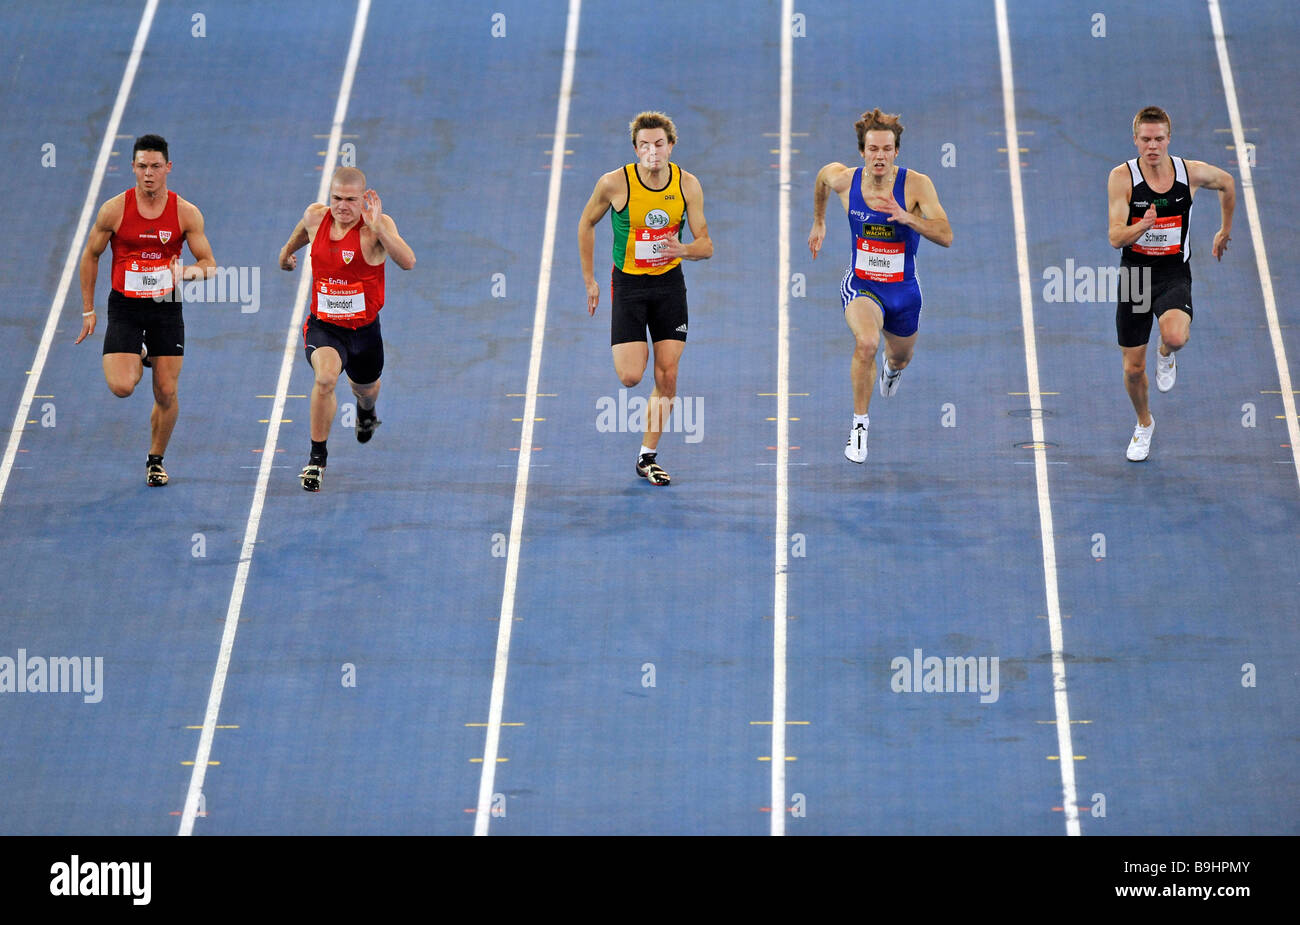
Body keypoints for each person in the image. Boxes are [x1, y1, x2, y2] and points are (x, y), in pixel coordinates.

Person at [809, 109, 952, 463]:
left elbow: (946, 235)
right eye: (873, 149)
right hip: (863, 286)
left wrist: (908, 218)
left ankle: (892, 369)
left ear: (897, 151)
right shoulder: (844, 180)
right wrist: (819, 221)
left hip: (903, 291)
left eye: (887, 149)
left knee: (901, 356)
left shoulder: (917, 185)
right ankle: (859, 425)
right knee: (867, 342)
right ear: (862, 151)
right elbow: (821, 179)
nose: (880, 156)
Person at [579, 111, 712, 486]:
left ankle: (647, 456)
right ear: (635, 149)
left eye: (658, 144)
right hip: (630, 288)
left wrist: (682, 249)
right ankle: (645, 444)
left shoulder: (687, 185)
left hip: (669, 286)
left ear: (671, 146)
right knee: (630, 376)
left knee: (667, 373)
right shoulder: (614, 184)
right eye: (644, 145)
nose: (652, 151)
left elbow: (706, 245)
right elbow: (586, 223)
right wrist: (590, 280)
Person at [76, 134, 216, 486]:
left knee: (166, 392)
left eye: (155, 166)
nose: (149, 174)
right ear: (133, 168)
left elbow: (210, 264)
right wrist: (88, 310)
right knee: (122, 386)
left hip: (165, 308)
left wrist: (185, 273)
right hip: (125, 307)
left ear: (168, 168)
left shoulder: (185, 212)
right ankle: (139, 352)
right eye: (142, 166)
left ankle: (156, 459)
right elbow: (91, 255)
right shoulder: (114, 210)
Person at [1108, 105, 1235, 461]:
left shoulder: (1189, 173)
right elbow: (1116, 237)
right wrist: (1141, 227)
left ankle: (1166, 354)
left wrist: (1225, 228)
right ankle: (1144, 424)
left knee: (1176, 336)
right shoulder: (1122, 178)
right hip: (1135, 276)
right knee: (1133, 370)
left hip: (1172, 273)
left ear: (1168, 139)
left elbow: (1227, 183)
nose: (1152, 146)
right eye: (1145, 139)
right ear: (1135, 140)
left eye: (1159, 139)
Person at [279, 167, 415, 492]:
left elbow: (408, 261)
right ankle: (316, 459)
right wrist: (286, 253)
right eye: (337, 198)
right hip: (324, 327)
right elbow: (302, 230)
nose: (342, 206)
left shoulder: (376, 228)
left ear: (362, 199)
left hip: (364, 331)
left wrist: (380, 228)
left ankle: (366, 413)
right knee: (324, 379)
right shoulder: (316, 217)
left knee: (365, 389)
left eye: (350, 200)